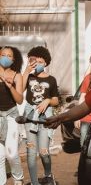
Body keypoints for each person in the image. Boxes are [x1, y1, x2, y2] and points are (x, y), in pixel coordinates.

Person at [22, 46, 60, 185]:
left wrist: (48, 100)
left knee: (44, 152)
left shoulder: (51, 79)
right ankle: (34, 182)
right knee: (31, 152)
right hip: (29, 117)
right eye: (35, 61)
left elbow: (56, 100)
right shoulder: (28, 76)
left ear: (46, 63)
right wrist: (26, 70)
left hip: (44, 119)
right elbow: (20, 90)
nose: (38, 63)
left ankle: (48, 175)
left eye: (41, 61)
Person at [0, 46, 24, 185]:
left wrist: (10, 86)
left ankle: (18, 179)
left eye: (9, 56)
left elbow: (20, 99)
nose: (6, 58)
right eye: (3, 55)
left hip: (11, 116)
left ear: (13, 59)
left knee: (11, 153)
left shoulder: (17, 75)